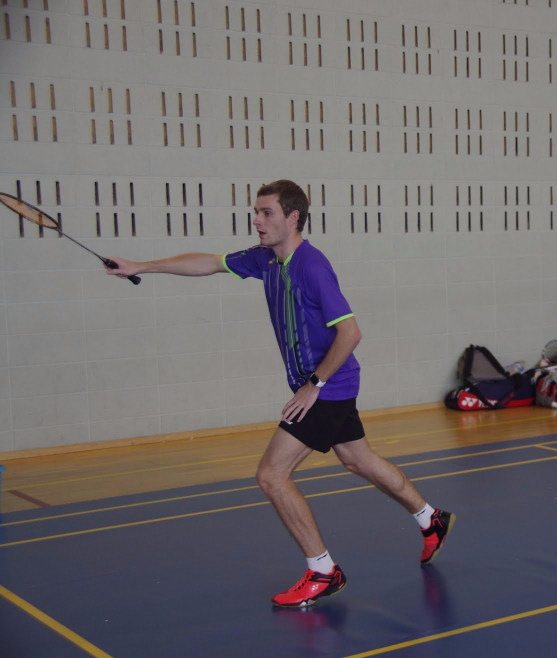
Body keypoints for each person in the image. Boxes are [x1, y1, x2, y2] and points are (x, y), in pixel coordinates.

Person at [106, 180, 454, 608]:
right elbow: (209, 263)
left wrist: (314, 386)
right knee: (357, 459)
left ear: (293, 217)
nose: (256, 220)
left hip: (326, 387)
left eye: (266, 212)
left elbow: (350, 333)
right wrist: (140, 265)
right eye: (255, 211)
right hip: (328, 385)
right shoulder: (266, 259)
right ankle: (430, 518)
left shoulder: (312, 267)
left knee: (271, 476)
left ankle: (323, 571)